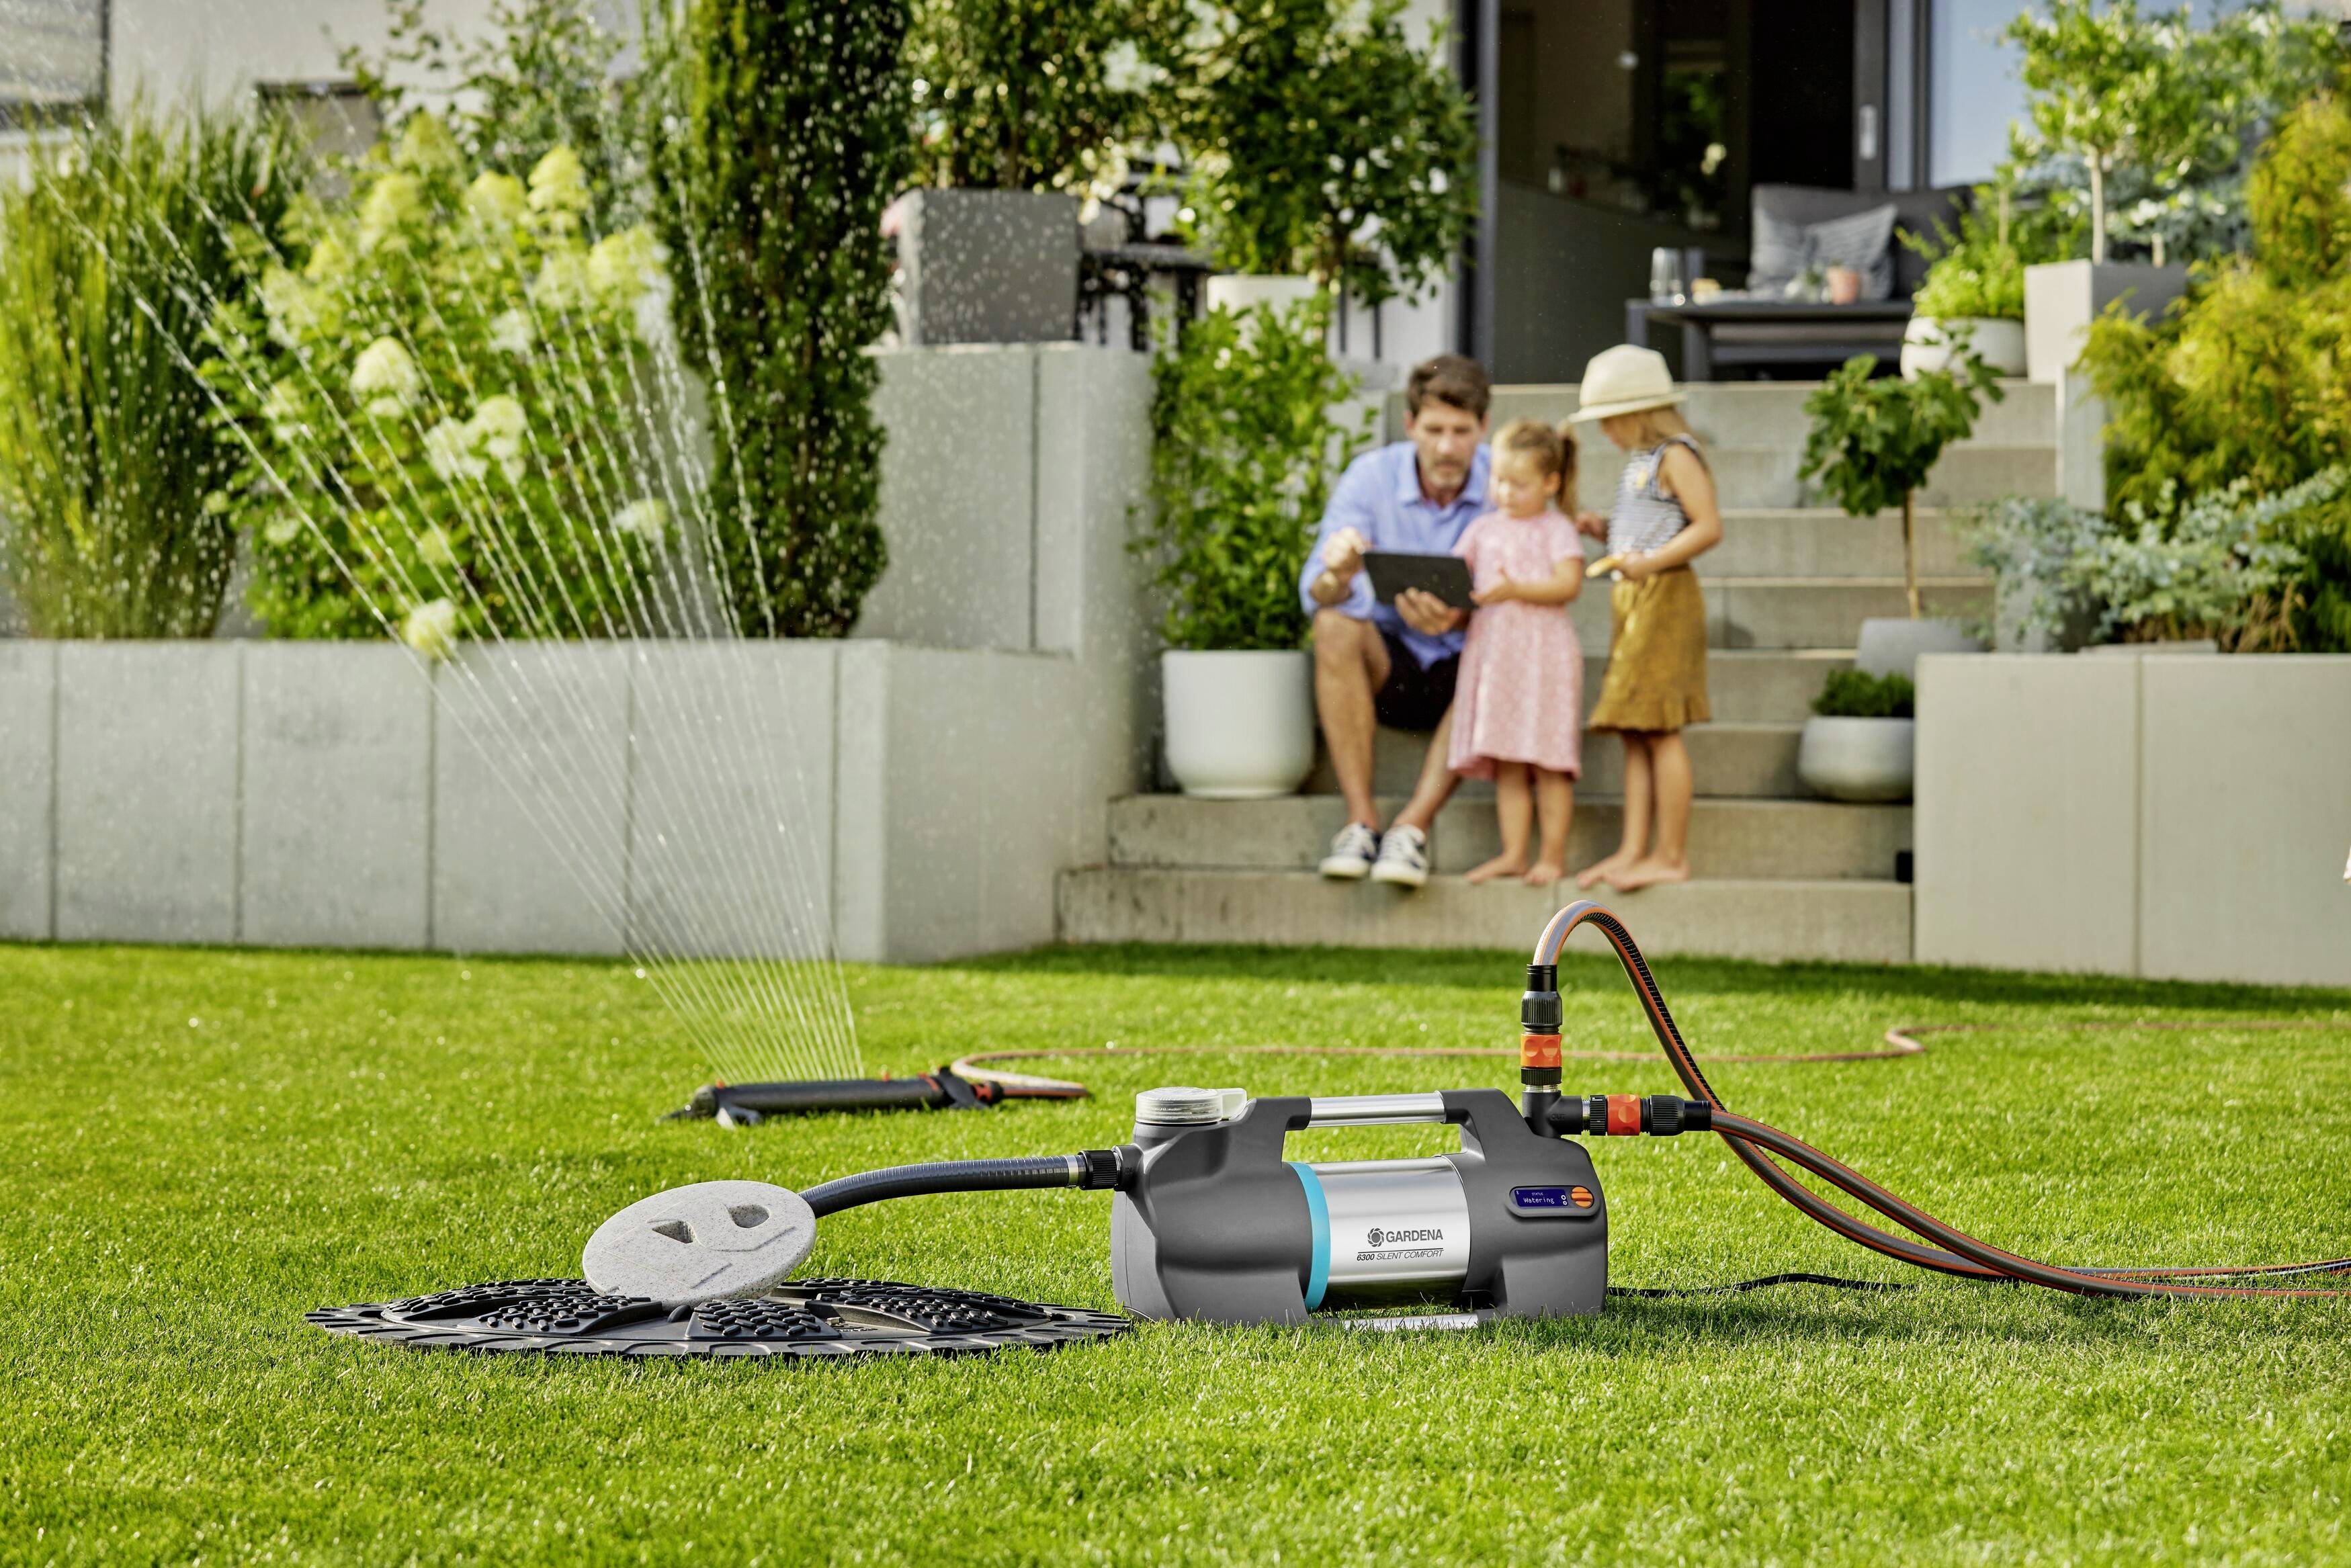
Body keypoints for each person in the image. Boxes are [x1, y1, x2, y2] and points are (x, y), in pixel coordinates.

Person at [1299, 354, 1491, 887]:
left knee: (1503, 634)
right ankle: (1360, 822)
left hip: (1474, 672)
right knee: (1333, 619)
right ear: (1409, 426)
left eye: (1461, 431)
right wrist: (1337, 574)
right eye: (1433, 430)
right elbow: (1315, 591)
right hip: (1390, 667)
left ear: (1484, 426)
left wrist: (1459, 620)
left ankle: (1413, 827)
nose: (1447, 447)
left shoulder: (1509, 479)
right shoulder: (1370, 477)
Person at [1568, 344, 1722, 893]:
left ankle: (1670, 854)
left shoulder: (1676, 454)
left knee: (1659, 729)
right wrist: (1603, 530)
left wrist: (1649, 563)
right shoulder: (1639, 462)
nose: (1605, 433)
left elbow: (1707, 526)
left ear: (1640, 413)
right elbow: (1652, 522)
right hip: (1633, 599)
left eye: (1610, 421)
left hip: (1665, 598)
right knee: (1635, 729)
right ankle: (1634, 850)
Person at [1447, 420, 1586, 885]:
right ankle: (1512, 853)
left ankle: (1550, 855)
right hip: (1497, 661)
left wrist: (1513, 589)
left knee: (1548, 762)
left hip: (1542, 659)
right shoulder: (1482, 529)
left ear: (1550, 482)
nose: (1505, 492)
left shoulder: (1556, 528)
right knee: (1508, 761)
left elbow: (1568, 584)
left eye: (1519, 483)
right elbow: (1454, 578)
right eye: (1499, 480)